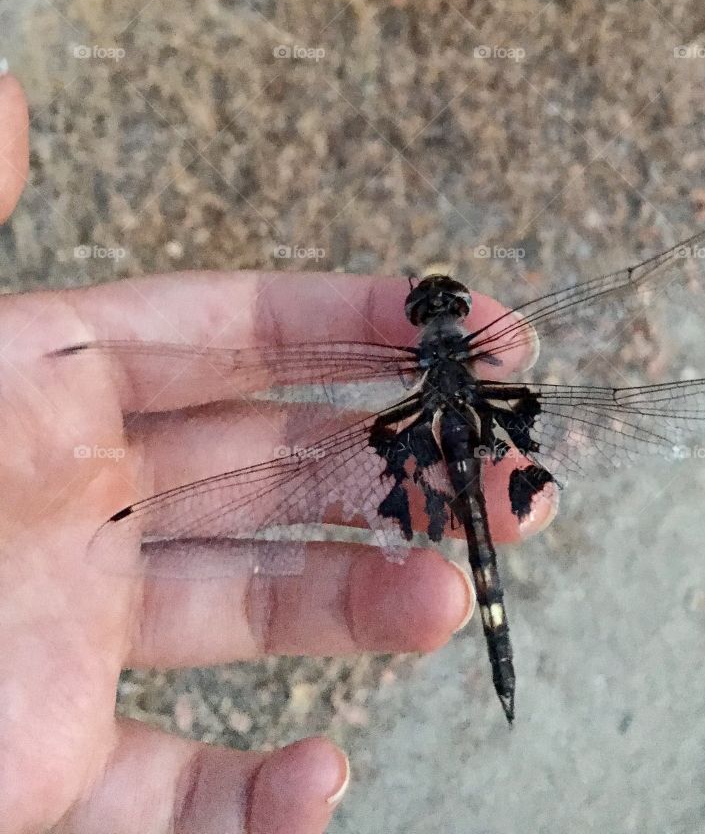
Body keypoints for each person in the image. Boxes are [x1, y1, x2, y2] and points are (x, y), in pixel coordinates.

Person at [0, 67, 554, 833]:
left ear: (431, 323)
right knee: (459, 555)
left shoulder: (407, 365)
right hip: (464, 425)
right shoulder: (468, 352)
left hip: (429, 431)